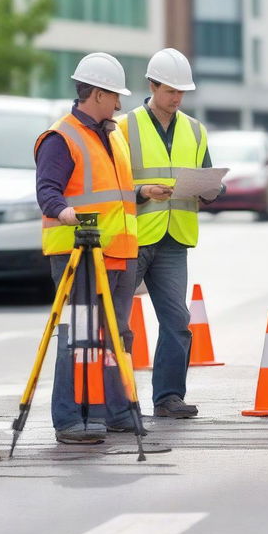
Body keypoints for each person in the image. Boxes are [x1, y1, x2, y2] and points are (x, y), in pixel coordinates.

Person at [35, 52, 139, 444]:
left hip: (119, 254)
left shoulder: (113, 135)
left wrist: (143, 193)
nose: (119, 103)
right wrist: (67, 216)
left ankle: (116, 411)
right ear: (96, 94)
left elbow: (116, 196)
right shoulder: (61, 138)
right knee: (78, 337)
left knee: (116, 338)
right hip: (80, 254)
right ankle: (71, 417)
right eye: (115, 96)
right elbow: (48, 193)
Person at [117, 48, 222, 419]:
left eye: (182, 92)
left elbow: (208, 179)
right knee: (115, 322)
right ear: (152, 86)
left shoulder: (195, 130)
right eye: (170, 91)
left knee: (177, 323)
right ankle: (116, 402)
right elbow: (111, 186)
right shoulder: (125, 128)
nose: (176, 98)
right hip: (134, 237)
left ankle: (168, 398)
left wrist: (211, 189)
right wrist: (142, 192)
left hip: (174, 239)